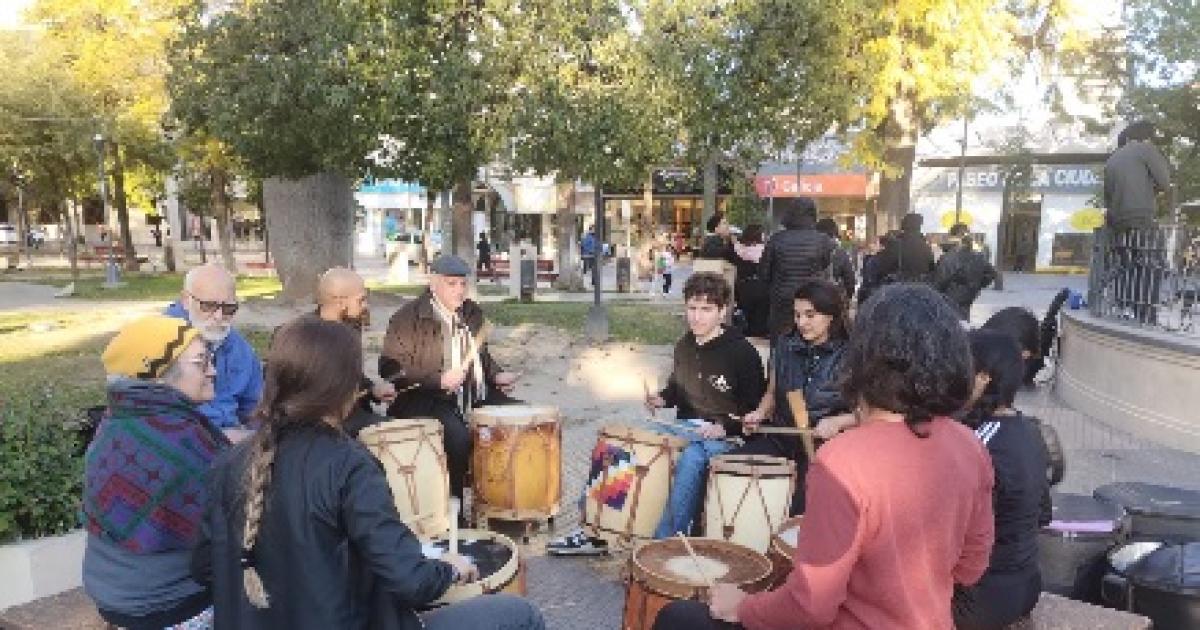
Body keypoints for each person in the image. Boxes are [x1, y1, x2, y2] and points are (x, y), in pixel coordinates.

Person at [653, 283, 995, 630]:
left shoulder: (843, 462)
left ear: (864, 358)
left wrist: (743, 607)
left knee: (677, 619)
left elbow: (810, 608)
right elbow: (971, 567)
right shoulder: (970, 446)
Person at [192, 317, 545, 630]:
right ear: (346, 388)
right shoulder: (348, 465)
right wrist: (448, 568)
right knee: (519, 615)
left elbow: (204, 568)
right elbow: (412, 581)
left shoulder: (228, 463)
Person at [548, 273, 766, 554]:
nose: (697, 317)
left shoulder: (742, 353)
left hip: (725, 436)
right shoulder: (685, 344)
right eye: (692, 308)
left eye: (706, 310)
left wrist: (726, 427)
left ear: (723, 311)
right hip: (685, 427)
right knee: (620, 440)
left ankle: (662, 545)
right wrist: (662, 398)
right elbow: (677, 388)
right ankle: (594, 527)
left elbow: (753, 410)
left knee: (693, 458)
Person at [84, 315, 229, 630]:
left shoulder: (117, 420)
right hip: (168, 606)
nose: (213, 371)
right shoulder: (182, 439)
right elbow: (233, 527)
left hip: (111, 598)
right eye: (201, 362)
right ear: (161, 376)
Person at [379, 255, 520, 500]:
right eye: (451, 284)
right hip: (427, 399)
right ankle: (453, 508)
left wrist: (496, 374)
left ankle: (501, 501)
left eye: (462, 284)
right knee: (458, 438)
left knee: (520, 420)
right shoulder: (407, 317)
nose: (459, 290)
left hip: (474, 394)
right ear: (433, 284)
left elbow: (480, 354)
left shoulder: (471, 313)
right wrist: (438, 379)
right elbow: (390, 368)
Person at [952, 330, 1052, 630]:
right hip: (1027, 585)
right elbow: (1043, 515)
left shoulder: (975, 442)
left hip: (981, 599)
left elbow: (954, 534)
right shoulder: (1031, 431)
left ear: (983, 377)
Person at [734, 279, 855, 514]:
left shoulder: (852, 355)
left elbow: (868, 412)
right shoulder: (784, 345)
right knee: (732, 468)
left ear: (830, 315)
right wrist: (758, 414)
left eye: (810, 315)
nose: (801, 322)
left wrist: (838, 422)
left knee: (800, 503)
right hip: (782, 438)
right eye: (797, 315)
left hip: (824, 449)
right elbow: (771, 394)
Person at [165, 263, 263, 433]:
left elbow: (255, 409)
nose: (219, 317)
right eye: (208, 306)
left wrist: (255, 438)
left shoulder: (241, 349)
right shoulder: (159, 345)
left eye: (228, 308)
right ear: (186, 301)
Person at [314, 267, 396, 437]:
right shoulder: (304, 336)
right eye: (361, 300)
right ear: (340, 302)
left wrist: (373, 390)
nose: (365, 305)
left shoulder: (351, 326)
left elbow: (353, 376)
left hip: (353, 414)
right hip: (321, 423)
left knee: (402, 432)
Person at [760, 198, 835, 337]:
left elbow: (763, 273)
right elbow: (826, 268)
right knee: (810, 337)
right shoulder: (823, 240)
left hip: (781, 299)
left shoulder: (776, 239)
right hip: (812, 299)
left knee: (780, 341)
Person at [1104, 120, 1172, 233]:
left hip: (1117, 220)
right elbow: (1165, 182)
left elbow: (1108, 195)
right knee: (1144, 248)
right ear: (1148, 136)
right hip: (1141, 216)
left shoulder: (1111, 159)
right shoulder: (1146, 149)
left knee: (1125, 249)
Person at [934, 226, 997, 321]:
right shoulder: (978, 256)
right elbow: (992, 274)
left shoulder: (948, 257)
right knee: (963, 319)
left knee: (951, 322)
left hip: (950, 296)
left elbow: (940, 281)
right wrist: (978, 284)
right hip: (969, 295)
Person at [872, 212, 935, 286]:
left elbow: (882, 269)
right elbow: (931, 271)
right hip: (920, 290)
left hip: (898, 289)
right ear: (919, 227)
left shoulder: (896, 245)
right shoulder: (926, 247)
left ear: (904, 226)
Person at [732, 224, 769, 338]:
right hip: (760, 286)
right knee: (760, 313)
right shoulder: (764, 250)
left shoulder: (737, 249)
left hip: (742, 286)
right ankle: (758, 333)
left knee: (746, 311)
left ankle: (746, 332)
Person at [815, 218, 856, 299]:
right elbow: (850, 279)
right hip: (832, 298)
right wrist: (848, 296)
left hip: (812, 297)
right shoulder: (840, 252)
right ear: (834, 233)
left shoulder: (809, 249)